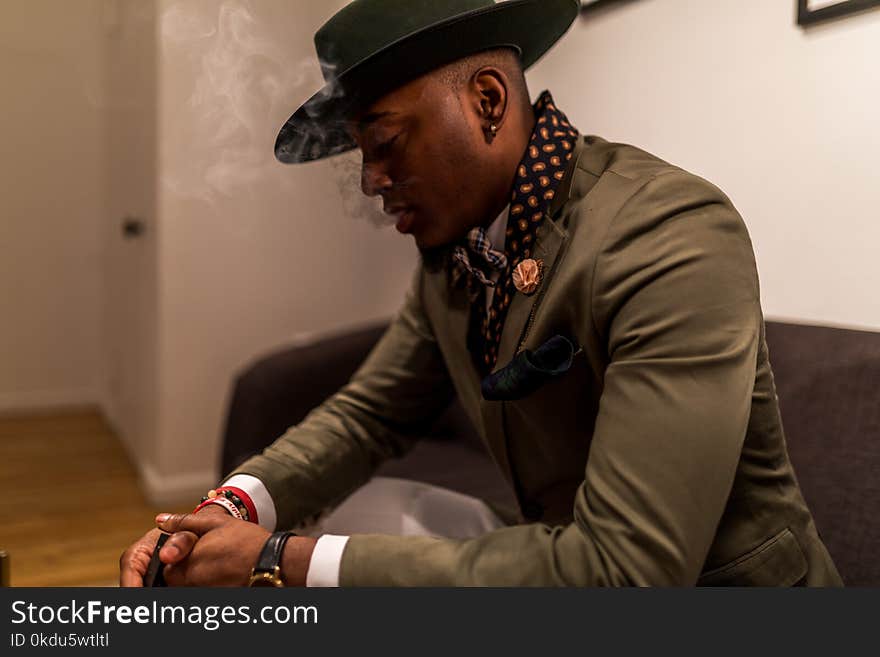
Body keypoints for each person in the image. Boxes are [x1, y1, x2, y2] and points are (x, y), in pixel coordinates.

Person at [120, 0, 842, 587]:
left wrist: (279, 557)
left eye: (386, 142)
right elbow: (368, 415)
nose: (371, 181)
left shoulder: (669, 237)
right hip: (558, 559)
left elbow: (625, 570)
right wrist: (228, 507)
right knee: (374, 510)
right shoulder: (453, 251)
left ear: (488, 101)